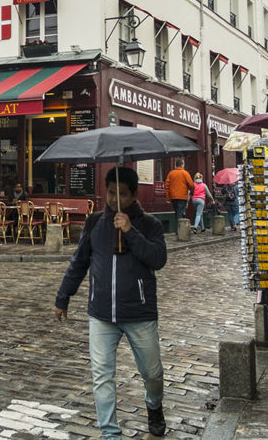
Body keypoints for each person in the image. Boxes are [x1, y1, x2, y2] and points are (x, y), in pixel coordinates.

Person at [54, 166, 168, 439]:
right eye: (112, 193)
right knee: (102, 376)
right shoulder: (95, 223)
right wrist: (63, 296)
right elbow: (79, 262)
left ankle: (154, 406)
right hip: (102, 314)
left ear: (134, 194)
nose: (116, 199)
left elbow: (158, 260)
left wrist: (130, 231)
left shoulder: (150, 224)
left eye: (123, 194)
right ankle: (110, 433)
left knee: (152, 373)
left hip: (139, 312)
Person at [164, 158, 194, 225]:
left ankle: (178, 230)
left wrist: (167, 197)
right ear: (182, 165)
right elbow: (191, 185)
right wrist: (192, 192)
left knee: (177, 212)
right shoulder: (185, 173)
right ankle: (179, 231)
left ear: (176, 165)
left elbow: (166, 185)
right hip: (182, 197)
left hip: (173, 197)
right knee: (180, 213)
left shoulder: (171, 173)